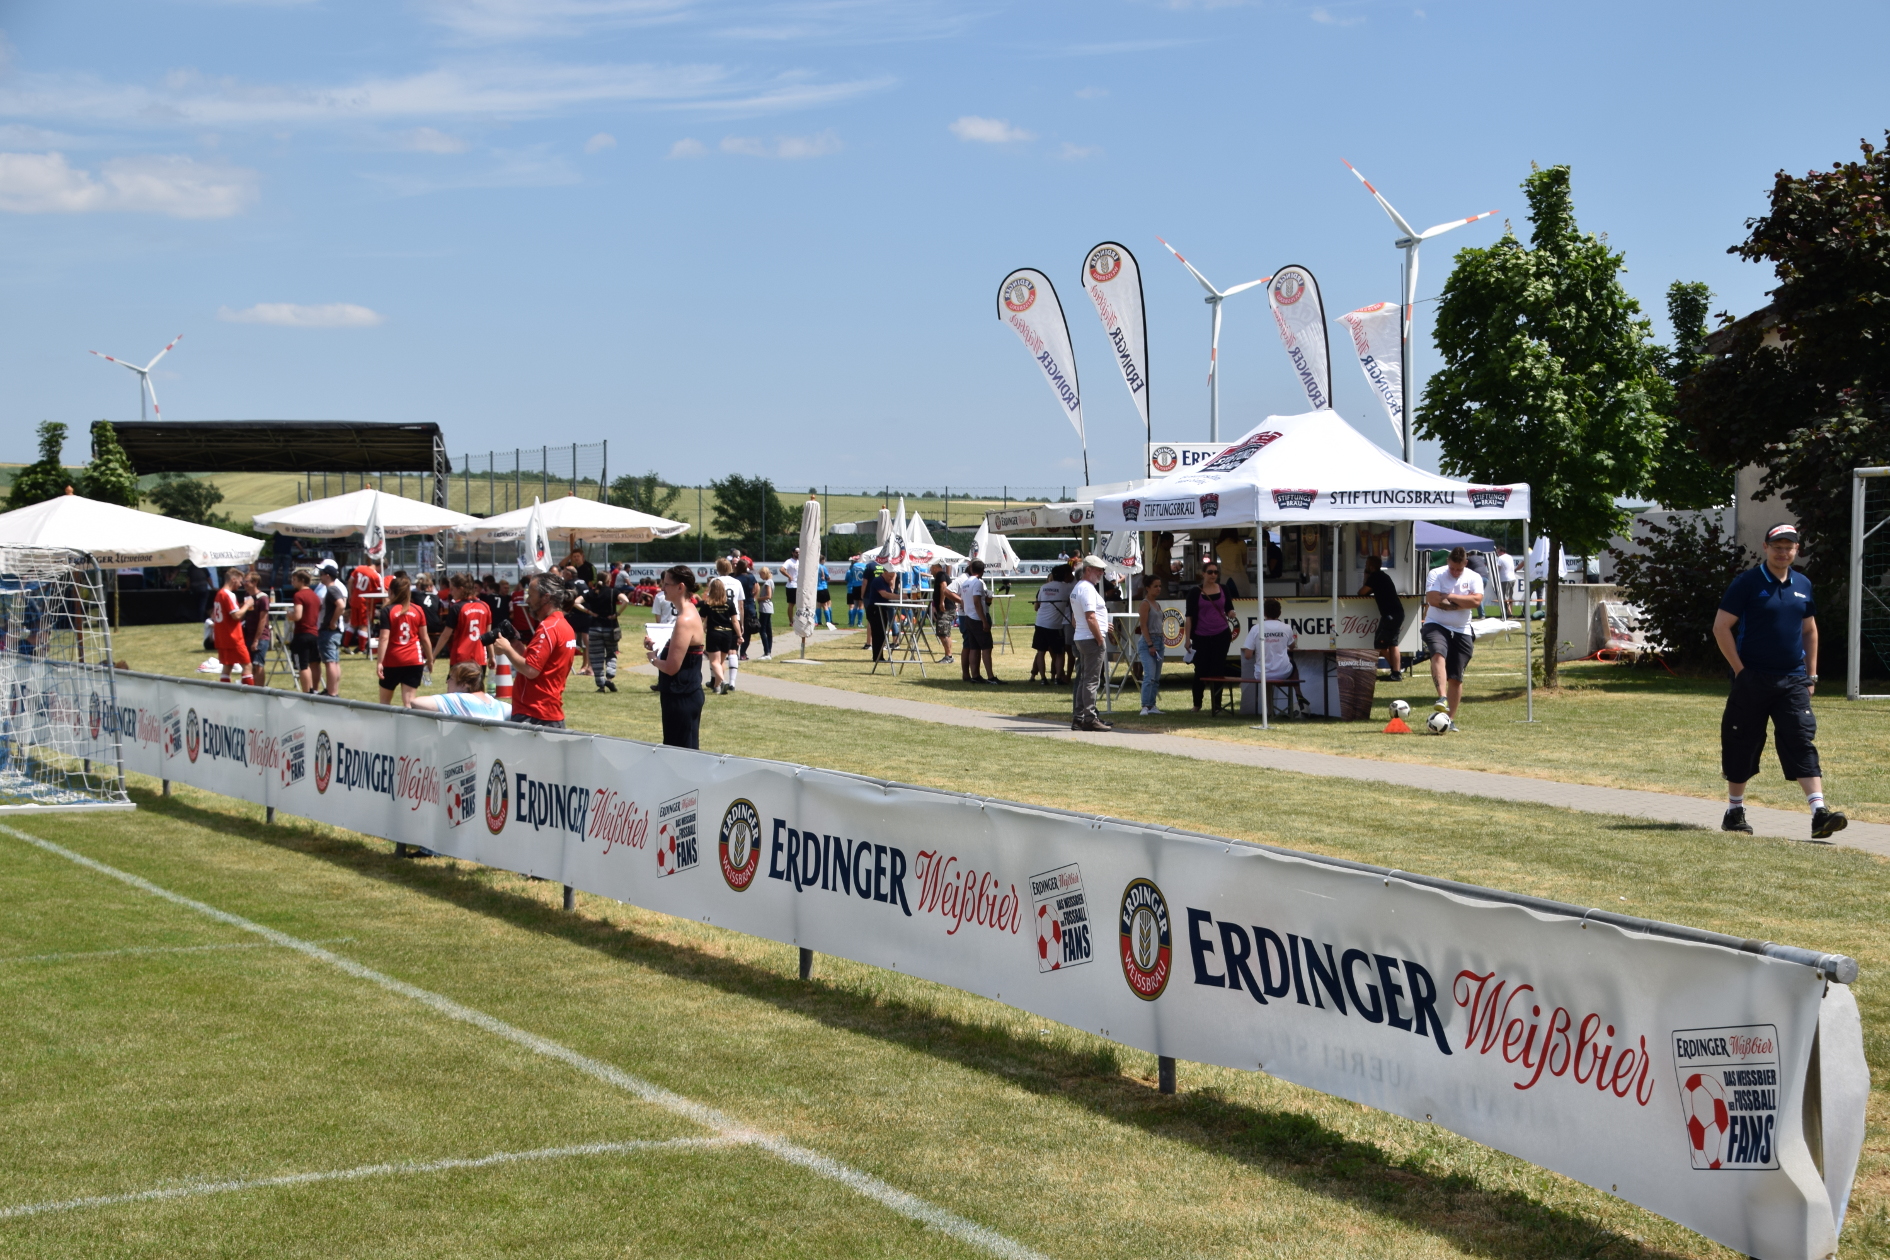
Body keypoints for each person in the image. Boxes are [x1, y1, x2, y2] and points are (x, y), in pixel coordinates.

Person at [1713, 524, 1846, 839]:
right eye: (1777, 546)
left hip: (1793, 680)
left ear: (1796, 550)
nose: (1783, 552)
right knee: (1742, 741)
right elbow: (1721, 627)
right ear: (1766, 547)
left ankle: (1819, 814)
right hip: (1753, 678)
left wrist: (1810, 675)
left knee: (1800, 739)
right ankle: (1734, 811)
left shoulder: (1803, 584)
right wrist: (1740, 670)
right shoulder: (1747, 583)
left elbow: (1809, 630)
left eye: (1789, 547)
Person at [492, 572, 578, 728]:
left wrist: (506, 649)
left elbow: (531, 670)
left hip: (534, 713)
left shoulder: (548, 628)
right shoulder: (565, 626)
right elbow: (546, 666)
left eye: (531, 595)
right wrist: (518, 648)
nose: (527, 600)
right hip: (550, 713)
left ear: (545, 598)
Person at [1422, 545, 1483, 730]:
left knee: (1456, 678)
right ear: (1448, 562)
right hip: (1435, 624)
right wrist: (1461, 602)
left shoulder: (1474, 577)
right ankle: (1442, 696)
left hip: (1462, 629)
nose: (1455, 572)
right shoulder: (1436, 574)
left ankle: (1449, 719)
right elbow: (1432, 599)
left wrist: (1449, 597)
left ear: (1466, 563)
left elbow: (1476, 601)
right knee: (1438, 653)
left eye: (1459, 569)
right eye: (1452, 568)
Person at [647, 565, 707, 748]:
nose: (662, 588)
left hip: (682, 696)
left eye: (666, 584)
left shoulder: (684, 620)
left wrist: (652, 659)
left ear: (680, 587)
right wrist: (657, 647)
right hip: (682, 694)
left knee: (681, 756)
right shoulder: (687, 613)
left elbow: (672, 667)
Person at [1181, 559, 1236, 713]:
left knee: (1218, 670)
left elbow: (1229, 608)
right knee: (1200, 670)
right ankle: (1197, 704)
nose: (1213, 575)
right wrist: (1187, 640)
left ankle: (1217, 705)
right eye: (1210, 572)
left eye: (1216, 572)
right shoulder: (1195, 592)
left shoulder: (1224, 589)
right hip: (1201, 635)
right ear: (1203, 574)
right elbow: (1189, 617)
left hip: (1221, 634)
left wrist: (1231, 613)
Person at [375, 575, 433, 708]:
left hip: (392, 660)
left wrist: (379, 662)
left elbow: (384, 638)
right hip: (413, 659)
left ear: (391, 591)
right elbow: (424, 638)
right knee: (409, 703)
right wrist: (430, 659)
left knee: (384, 703)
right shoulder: (418, 609)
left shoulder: (388, 610)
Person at [1069, 555, 1111, 731]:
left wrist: (1101, 625)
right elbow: (1090, 616)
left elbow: (1075, 619)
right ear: (1088, 570)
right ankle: (1089, 718)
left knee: (1085, 678)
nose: (1101, 573)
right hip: (1090, 639)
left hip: (1082, 637)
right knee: (1091, 680)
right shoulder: (1086, 589)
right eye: (1098, 570)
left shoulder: (1079, 588)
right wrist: (1100, 639)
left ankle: (1079, 717)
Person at [435, 573, 492, 687]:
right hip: (479, 658)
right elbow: (488, 635)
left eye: (452, 589)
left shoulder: (457, 607)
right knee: (476, 692)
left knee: (455, 691)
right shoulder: (484, 606)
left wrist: (433, 655)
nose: (450, 593)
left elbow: (446, 635)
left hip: (461, 658)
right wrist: (492, 656)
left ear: (461, 589)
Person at [1243, 597, 1299, 713]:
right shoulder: (1286, 627)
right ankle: (1299, 696)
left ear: (1264, 613)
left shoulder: (1256, 628)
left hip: (1262, 673)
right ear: (1280, 613)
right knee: (1292, 663)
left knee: (1267, 677)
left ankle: (1269, 710)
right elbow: (1293, 646)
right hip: (1283, 672)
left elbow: (1247, 655)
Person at [1359, 554, 1405, 682]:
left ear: (1371, 566)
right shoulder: (1383, 576)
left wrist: (1365, 575)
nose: (1365, 566)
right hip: (1396, 613)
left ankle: (1396, 671)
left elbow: (1362, 592)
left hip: (1390, 615)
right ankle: (1396, 672)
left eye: (1366, 564)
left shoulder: (1375, 577)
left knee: (1380, 644)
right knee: (1392, 643)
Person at [580, 573, 628, 691]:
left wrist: (589, 612)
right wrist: (617, 614)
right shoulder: (613, 592)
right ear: (609, 580)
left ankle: (600, 684)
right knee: (611, 653)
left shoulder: (591, 592)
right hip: (610, 627)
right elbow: (626, 601)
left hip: (594, 627)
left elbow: (576, 602)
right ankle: (609, 678)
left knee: (596, 656)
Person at [414, 661, 510, 719]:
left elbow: (416, 702)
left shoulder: (459, 699)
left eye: (450, 678)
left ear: (464, 685)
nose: (447, 682)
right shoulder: (497, 705)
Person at [956, 560, 1000, 682]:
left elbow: (963, 601)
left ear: (971, 569)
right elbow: (977, 602)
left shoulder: (965, 583)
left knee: (974, 648)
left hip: (968, 617)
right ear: (982, 570)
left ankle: (975, 675)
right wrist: (984, 620)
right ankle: (990, 676)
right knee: (986, 647)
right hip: (977, 618)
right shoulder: (978, 583)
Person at [210, 567, 256, 685]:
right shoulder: (228, 594)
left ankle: (225, 693)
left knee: (228, 666)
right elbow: (236, 616)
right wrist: (247, 605)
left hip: (222, 636)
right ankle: (249, 694)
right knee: (247, 665)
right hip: (233, 636)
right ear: (233, 579)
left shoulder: (219, 594)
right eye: (240, 581)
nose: (241, 584)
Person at [701, 559, 740, 694]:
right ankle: (717, 688)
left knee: (714, 662)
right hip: (728, 634)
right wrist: (740, 635)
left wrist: (699, 632)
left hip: (714, 633)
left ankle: (722, 681)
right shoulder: (729, 603)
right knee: (721, 662)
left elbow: (702, 620)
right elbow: (735, 621)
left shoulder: (708, 603)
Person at [1031, 564, 1071, 686]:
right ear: (1064, 575)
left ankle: (1043, 678)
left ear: (1052, 575)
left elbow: (1037, 605)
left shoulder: (1043, 587)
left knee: (1041, 652)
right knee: (1060, 653)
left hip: (1040, 623)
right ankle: (1058, 678)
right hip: (1055, 625)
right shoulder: (1067, 588)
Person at [288, 568, 323, 693]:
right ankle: (316, 689)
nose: (292, 582)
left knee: (303, 665)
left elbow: (298, 615)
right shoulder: (315, 596)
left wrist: (290, 615)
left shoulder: (299, 595)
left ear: (302, 581)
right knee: (315, 662)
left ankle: (306, 691)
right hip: (314, 633)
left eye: (295, 579)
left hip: (302, 633)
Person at [1136, 574, 1165, 716]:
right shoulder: (1145, 604)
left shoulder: (1157, 604)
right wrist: (1150, 644)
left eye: (1160, 586)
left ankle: (1152, 704)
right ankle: (1145, 705)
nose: (1158, 589)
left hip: (1159, 640)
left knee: (1156, 677)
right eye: (1155, 586)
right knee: (1149, 675)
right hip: (1149, 642)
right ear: (1148, 588)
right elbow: (1143, 626)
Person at [318, 559, 346, 696]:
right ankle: (332, 690)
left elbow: (341, 605)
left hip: (329, 631)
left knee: (330, 662)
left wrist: (333, 621)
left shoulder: (332, 589)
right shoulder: (335, 588)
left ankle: (332, 692)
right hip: (333, 631)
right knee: (333, 661)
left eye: (321, 573)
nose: (319, 576)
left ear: (327, 575)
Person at [345, 557, 384, 655]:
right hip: (366, 602)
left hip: (355, 599)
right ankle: (362, 649)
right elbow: (381, 590)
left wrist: (351, 594)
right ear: (380, 566)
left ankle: (345, 645)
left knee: (353, 623)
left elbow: (350, 581)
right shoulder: (376, 575)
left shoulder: (359, 568)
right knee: (364, 625)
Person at [863, 561, 896, 663]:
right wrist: (902, 597)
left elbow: (890, 593)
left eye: (893, 577)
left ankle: (880, 656)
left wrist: (892, 584)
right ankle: (877, 656)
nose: (891, 579)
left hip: (882, 610)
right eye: (890, 576)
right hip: (874, 610)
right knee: (878, 633)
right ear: (884, 573)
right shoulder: (878, 581)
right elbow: (885, 595)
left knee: (882, 634)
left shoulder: (886, 582)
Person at [735, 558, 759, 661]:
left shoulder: (735, 578)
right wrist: (753, 595)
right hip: (749, 603)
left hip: (738, 603)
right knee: (748, 631)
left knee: (736, 628)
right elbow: (756, 587)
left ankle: (734, 651)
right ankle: (743, 653)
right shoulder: (751, 577)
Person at [753, 564, 776, 660]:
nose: (760, 576)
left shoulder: (767, 583)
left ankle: (766, 652)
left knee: (762, 630)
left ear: (764, 573)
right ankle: (768, 651)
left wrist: (758, 598)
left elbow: (768, 596)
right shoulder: (771, 582)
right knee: (768, 630)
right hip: (769, 608)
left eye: (761, 574)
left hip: (765, 608)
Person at [1493, 546, 1519, 618]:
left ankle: (1504, 613)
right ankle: (1510, 612)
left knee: (1504, 597)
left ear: (1501, 551)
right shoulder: (1510, 557)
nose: (1497, 553)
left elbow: (1497, 568)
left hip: (1505, 579)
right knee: (1510, 596)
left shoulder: (1500, 558)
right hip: (1512, 578)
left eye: (1498, 552)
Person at [846, 557, 866, 626]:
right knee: (861, 605)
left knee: (855, 605)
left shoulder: (854, 566)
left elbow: (851, 575)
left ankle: (851, 622)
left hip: (855, 586)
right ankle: (859, 622)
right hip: (861, 586)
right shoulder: (864, 566)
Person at [781, 549, 799, 620]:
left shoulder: (800, 561)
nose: (798, 554)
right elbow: (782, 569)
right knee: (791, 604)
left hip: (799, 585)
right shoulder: (789, 561)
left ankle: (798, 619)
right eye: (796, 552)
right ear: (793, 553)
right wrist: (789, 576)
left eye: (799, 552)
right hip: (792, 586)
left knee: (800, 604)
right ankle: (791, 620)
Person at [814, 559, 832, 626]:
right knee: (825, 605)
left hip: (816, 588)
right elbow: (828, 577)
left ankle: (819, 621)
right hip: (823, 587)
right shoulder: (822, 567)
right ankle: (828, 621)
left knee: (818, 605)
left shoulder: (813, 567)